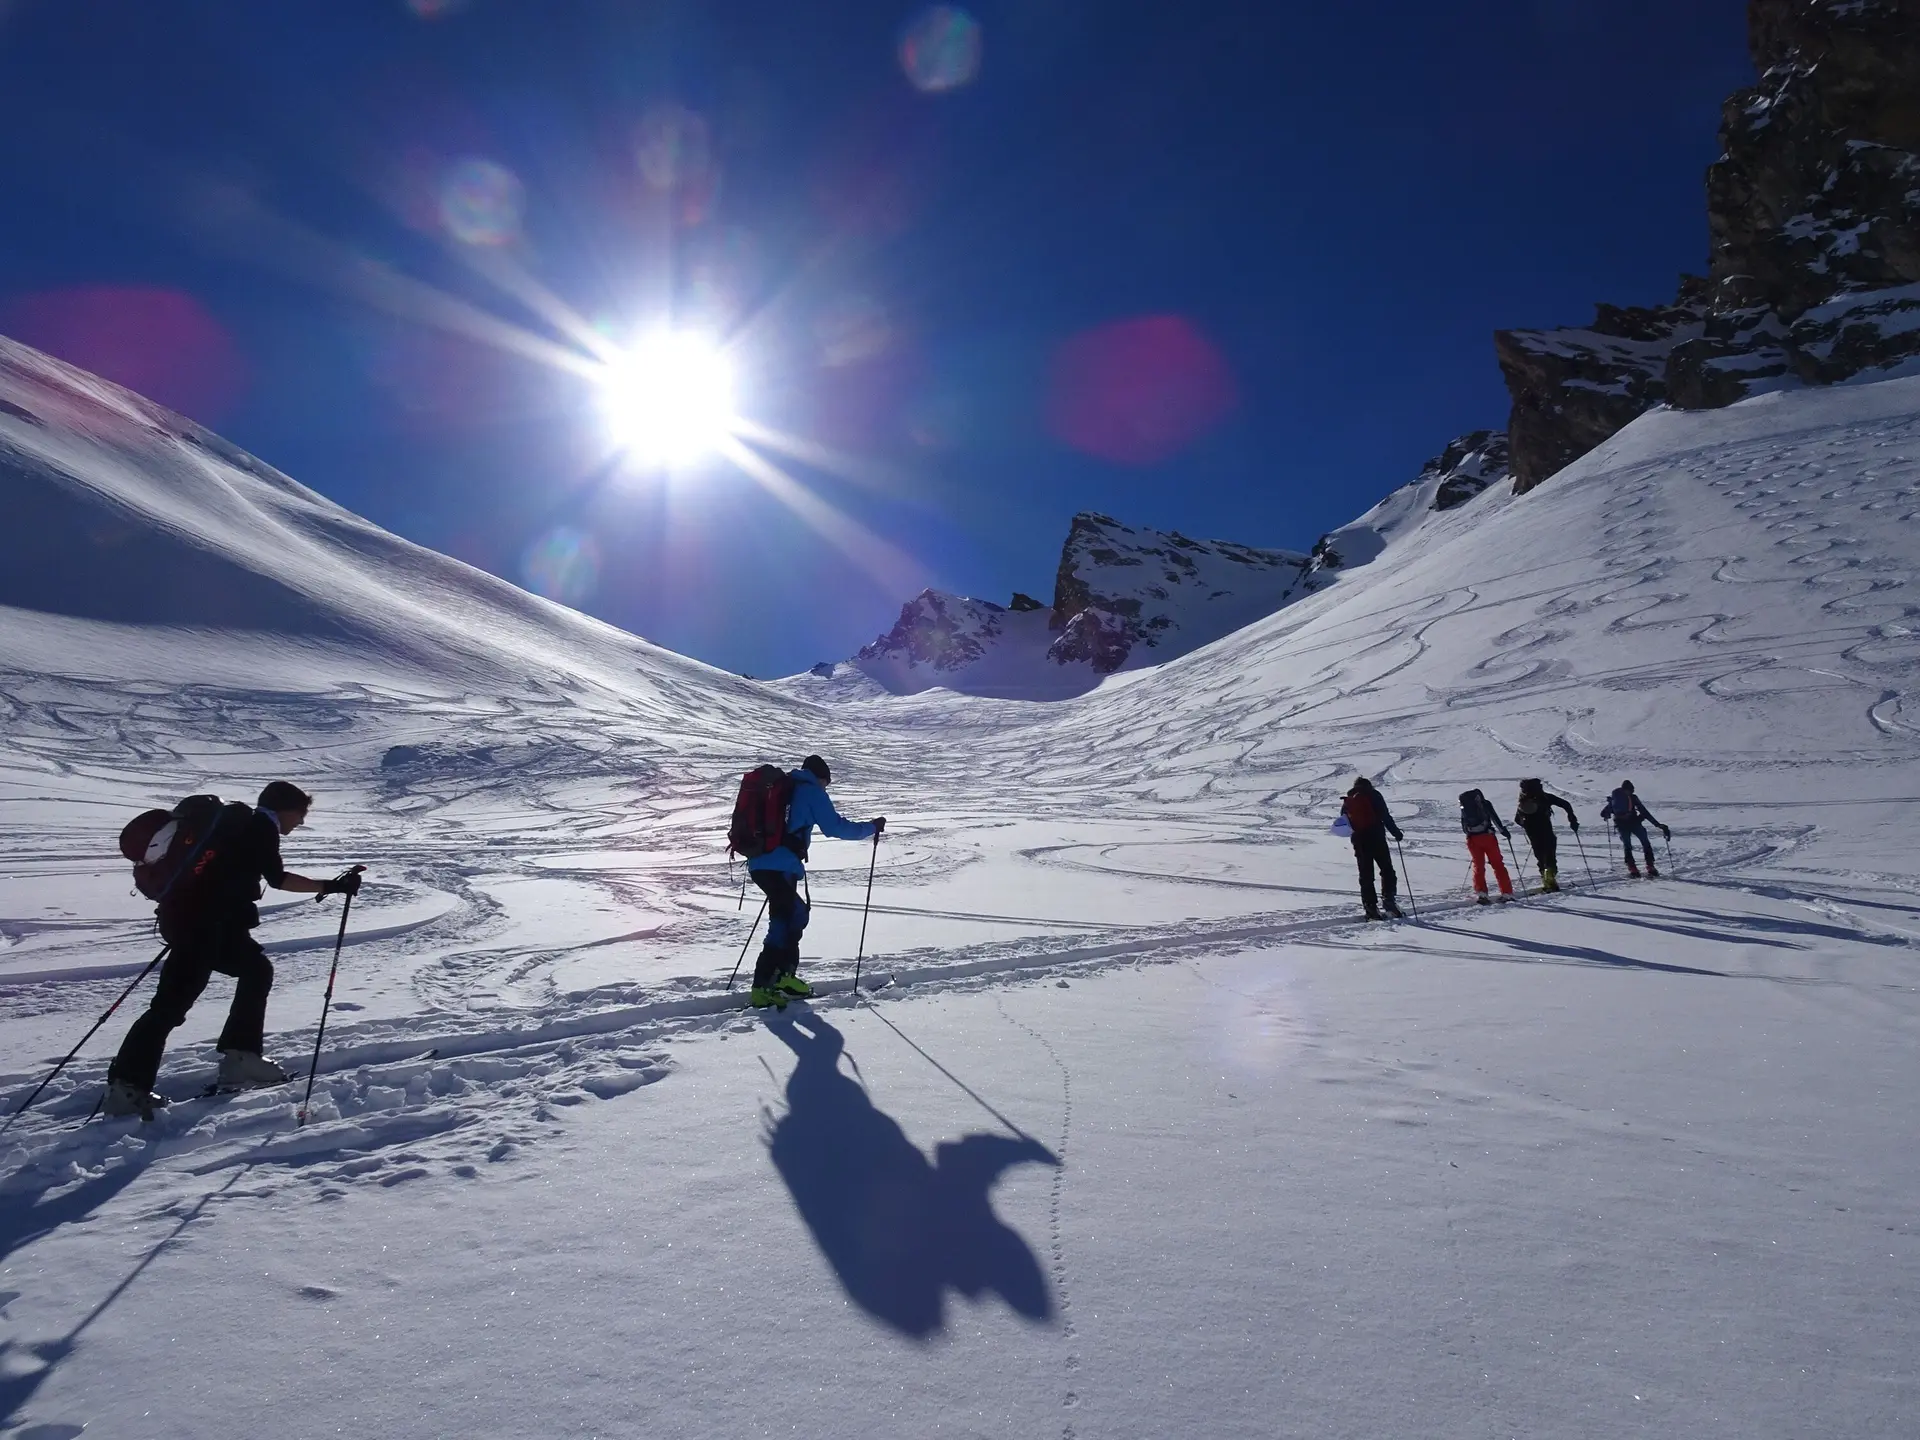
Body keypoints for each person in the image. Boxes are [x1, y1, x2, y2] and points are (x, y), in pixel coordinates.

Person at [103, 781, 363, 1120]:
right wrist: (332, 886)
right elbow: (278, 878)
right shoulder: (260, 827)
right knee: (192, 996)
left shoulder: (233, 827)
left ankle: (131, 1084)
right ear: (283, 809)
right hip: (209, 928)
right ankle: (239, 1060)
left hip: (189, 922)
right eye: (299, 815)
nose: (299, 824)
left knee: (226, 982)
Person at [745, 755, 884, 1010]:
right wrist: (872, 828)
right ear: (821, 778)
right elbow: (836, 827)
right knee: (789, 919)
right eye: (826, 784)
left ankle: (784, 977)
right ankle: (763, 986)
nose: (825, 789)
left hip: (761, 862)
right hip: (780, 866)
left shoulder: (786, 786)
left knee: (790, 917)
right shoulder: (810, 791)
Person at [1339, 777, 1404, 920]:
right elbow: (1385, 816)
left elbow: (1344, 822)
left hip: (1359, 841)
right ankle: (1389, 901)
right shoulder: (1374, 795)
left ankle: (1370, 907)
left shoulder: (1348, 800)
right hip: (1376, 837)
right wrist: (1396, 833)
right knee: (1386, 869)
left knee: (1366, 875)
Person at [1513, 778, 1579, 892]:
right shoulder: (1545, 797)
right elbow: (1565, 804)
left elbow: (1517, 820)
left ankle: (1546, 882)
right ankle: (1551, 881)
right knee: (1550, 857)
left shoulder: (1523, 801)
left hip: (1532, 834)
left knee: (1540, 858)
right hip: (1546, 831)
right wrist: (1572, 818)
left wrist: (1527, 825)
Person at [1600, 779, 1668, 878]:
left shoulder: (1614, 799)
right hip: (1634, 823)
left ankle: (1632, 868)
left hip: (1621, 825)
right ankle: (1650, 866)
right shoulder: (1632, 798)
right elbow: (1644, 812)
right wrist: (1657, 824)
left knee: (1627, 846)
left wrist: (1608, 815)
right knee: (1645, 843)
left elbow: (1603, 813)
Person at [1458, 789, 1515, 903]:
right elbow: (1495, 819)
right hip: (1488, 837)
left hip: (1473, 840)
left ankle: (1482, 893)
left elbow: (1464, 826)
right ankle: (1507, 892)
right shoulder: (1485, 803)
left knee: (1478, 866)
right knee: (1498, 864)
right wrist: (1503, 831)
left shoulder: (1464, 806)